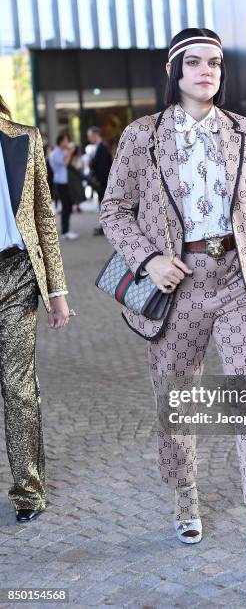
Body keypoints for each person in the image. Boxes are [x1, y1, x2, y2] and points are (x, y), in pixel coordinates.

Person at [100, 28, 246, 588]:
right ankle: (185, 494)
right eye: (195, 62)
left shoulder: (243, 132)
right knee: (177, 401)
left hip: (238, 279)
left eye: (215, 63)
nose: (207, 71)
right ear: (174, 70)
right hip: (177, 284)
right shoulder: (143, 136)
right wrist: (149, 259)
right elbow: (113, 209)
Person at [0, 95, 70, 523]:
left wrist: (57, 290)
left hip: (18, 273)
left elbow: (44, 216)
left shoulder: (23, 139)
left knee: (18, 386)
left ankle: (28, 491)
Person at [49, 133, 78, 239]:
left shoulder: (62, 151)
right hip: (60, 183)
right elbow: (65, 163)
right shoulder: (55, 153)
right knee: (65, 206)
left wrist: (70, 151)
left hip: (65, 182)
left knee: (68, 206)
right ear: (61, 142)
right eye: (66, 141)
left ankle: (67, 230)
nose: (67, 143)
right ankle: (65, 232)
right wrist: (70, 152)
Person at [87, 126, 113, 236]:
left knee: (104, 206)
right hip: (102, 183)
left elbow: (103, 168)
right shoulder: (99, 147)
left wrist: (100, 183)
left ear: (94, 135)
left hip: (103, 183)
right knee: (102, 206)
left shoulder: (102, 148)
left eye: (89, 135)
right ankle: (104, 227)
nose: (88, 138)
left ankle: (105, 228)